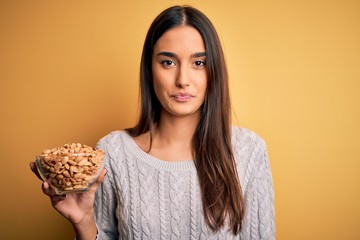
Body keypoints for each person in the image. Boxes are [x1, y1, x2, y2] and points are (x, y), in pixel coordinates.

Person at [31, 5, 275, 240]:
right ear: (149, 69)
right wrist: (83, 222)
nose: (182, 80)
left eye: (198, 63)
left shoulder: (248, 151)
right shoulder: (114, 152)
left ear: (215, 71)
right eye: (168, 62)